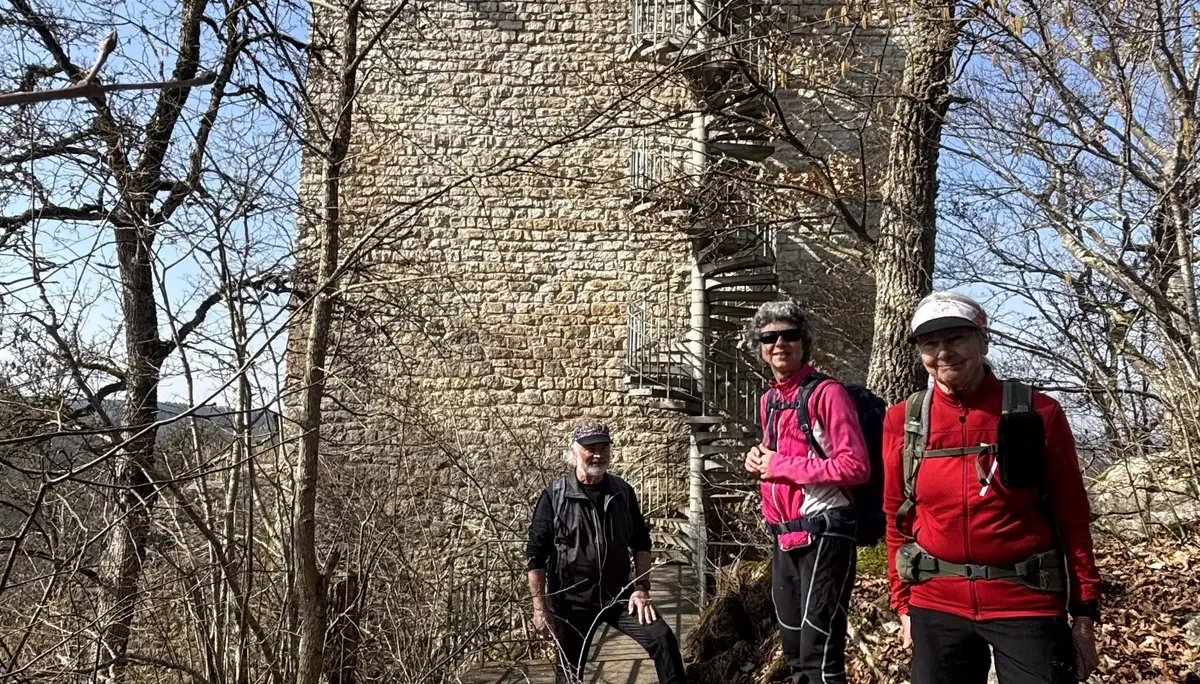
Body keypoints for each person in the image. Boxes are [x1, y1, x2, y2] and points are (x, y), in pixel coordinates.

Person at [882, 290, 1102, 684]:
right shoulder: (903, 421)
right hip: (937, 603)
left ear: (983, 340)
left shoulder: (1040, 413)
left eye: (956, 338)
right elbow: (896, 515)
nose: (944, 352)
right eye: (930, 343)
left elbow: (1073, 517)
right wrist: (903, 606)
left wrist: (1084, 614)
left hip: (1025, 601)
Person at [742, 299, 872, 684]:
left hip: (826, 531)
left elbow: (855, 466)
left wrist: (779, 466)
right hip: (785, 536)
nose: (779, 343)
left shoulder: (827, 393)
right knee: (795, 656)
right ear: (760, 346)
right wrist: (758, 462)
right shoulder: (770, 400)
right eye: (769, 337)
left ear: (804, 343)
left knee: (820, 659)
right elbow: (779, 459)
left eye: (789, 335)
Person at [525, 420, 686, 684]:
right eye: (591, 448)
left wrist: (641, 587)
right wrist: (539, 608)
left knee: (662, 638)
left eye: (604, 447)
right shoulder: (554, 496)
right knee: (568, 674)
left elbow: (641, 543)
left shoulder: (622, 492)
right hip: (571, 603)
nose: (598, 454)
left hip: (619, 597)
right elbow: (536, 556)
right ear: (575, 451)